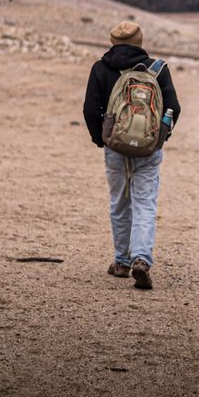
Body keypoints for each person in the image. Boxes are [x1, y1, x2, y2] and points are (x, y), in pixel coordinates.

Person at [82, 21, 180, 290]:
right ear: (140, 41)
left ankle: (122, 262)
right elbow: (173, 109)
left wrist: (101, 140)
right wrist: (158, 139)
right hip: (149, 147)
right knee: (144, 203)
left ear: (112, 41)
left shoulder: (101, 68)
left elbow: (91, 110)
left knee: (119, 203)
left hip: (114, 145)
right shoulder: (157, 70)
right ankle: (142, 260)